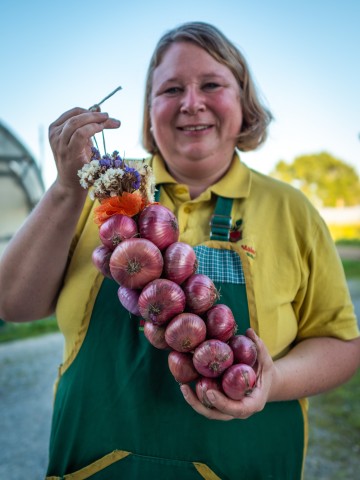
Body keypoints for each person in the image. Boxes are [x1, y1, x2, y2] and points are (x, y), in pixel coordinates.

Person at [0, 21, 359, 480]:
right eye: (170, 89)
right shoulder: (103, 191)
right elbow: (14, 303)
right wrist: (67, 188)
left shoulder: (292, 210)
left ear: (244, 104)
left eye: (212, 84)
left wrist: (273, 381)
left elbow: (341, 344)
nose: (191, 103)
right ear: (148, 112)